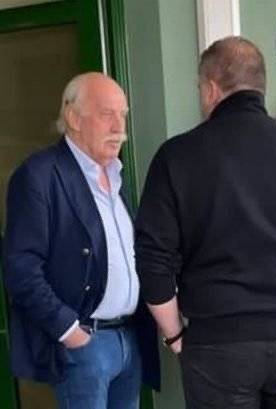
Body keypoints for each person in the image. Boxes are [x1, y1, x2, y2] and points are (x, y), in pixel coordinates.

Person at [135, 36, 276, 409]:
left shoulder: (176, 158)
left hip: (217, 342)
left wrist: (174, 336)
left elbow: (152, 259)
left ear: (211, 89)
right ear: (260, 87)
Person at [2, 72, 160, 409]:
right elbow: (21, 268)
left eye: (123, 115)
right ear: (73, 118)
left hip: (129, 338)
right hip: (86, 344)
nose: (119, 127)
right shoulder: (39, 175)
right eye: (107, 114)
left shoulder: (117, 176)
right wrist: (69, 331)